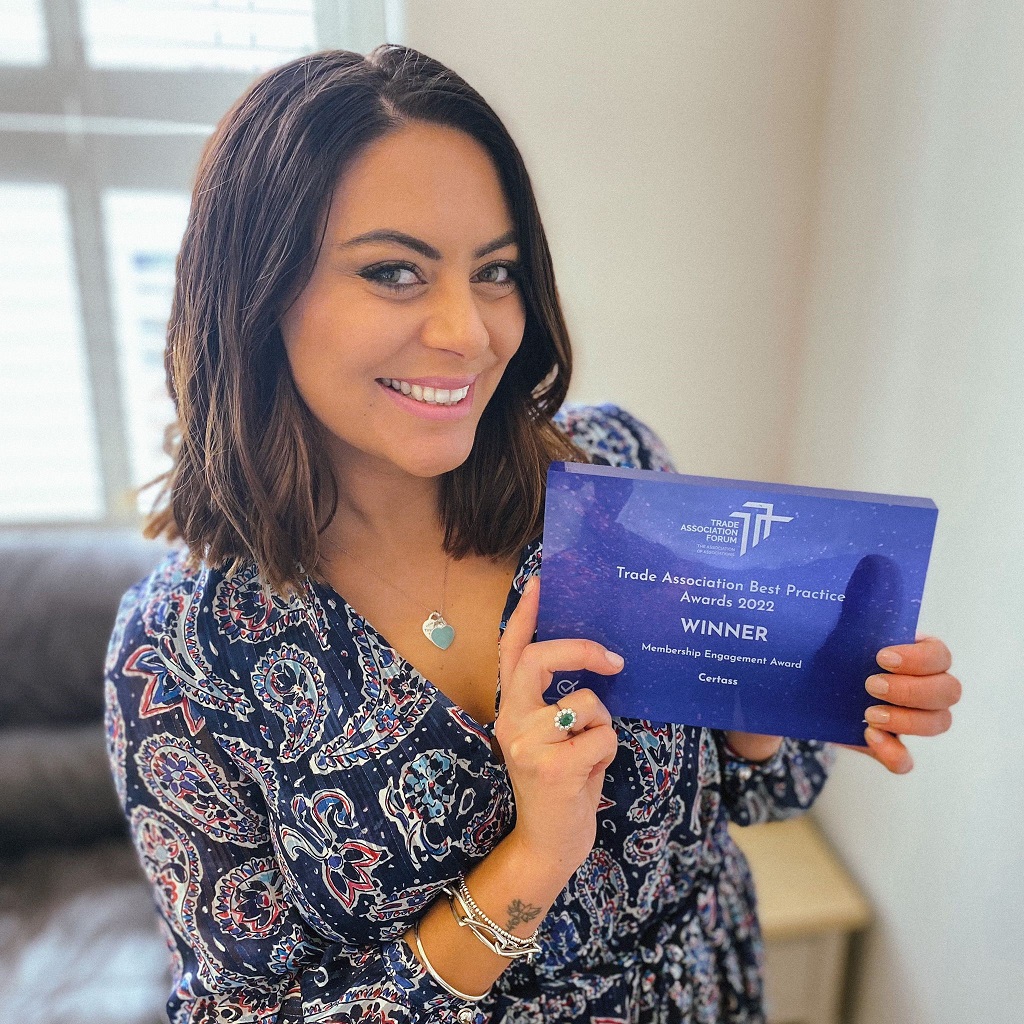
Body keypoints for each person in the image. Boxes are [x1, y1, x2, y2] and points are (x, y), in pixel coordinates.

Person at [103, 44, 962, 1024]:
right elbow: (241, 1012)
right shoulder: (182, 655)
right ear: (255, 293)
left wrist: (775, 689)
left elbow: (765, 795)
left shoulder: (611, 472)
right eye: (393, 271)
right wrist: (529, 863)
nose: (468, 332)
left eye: (497, 270)